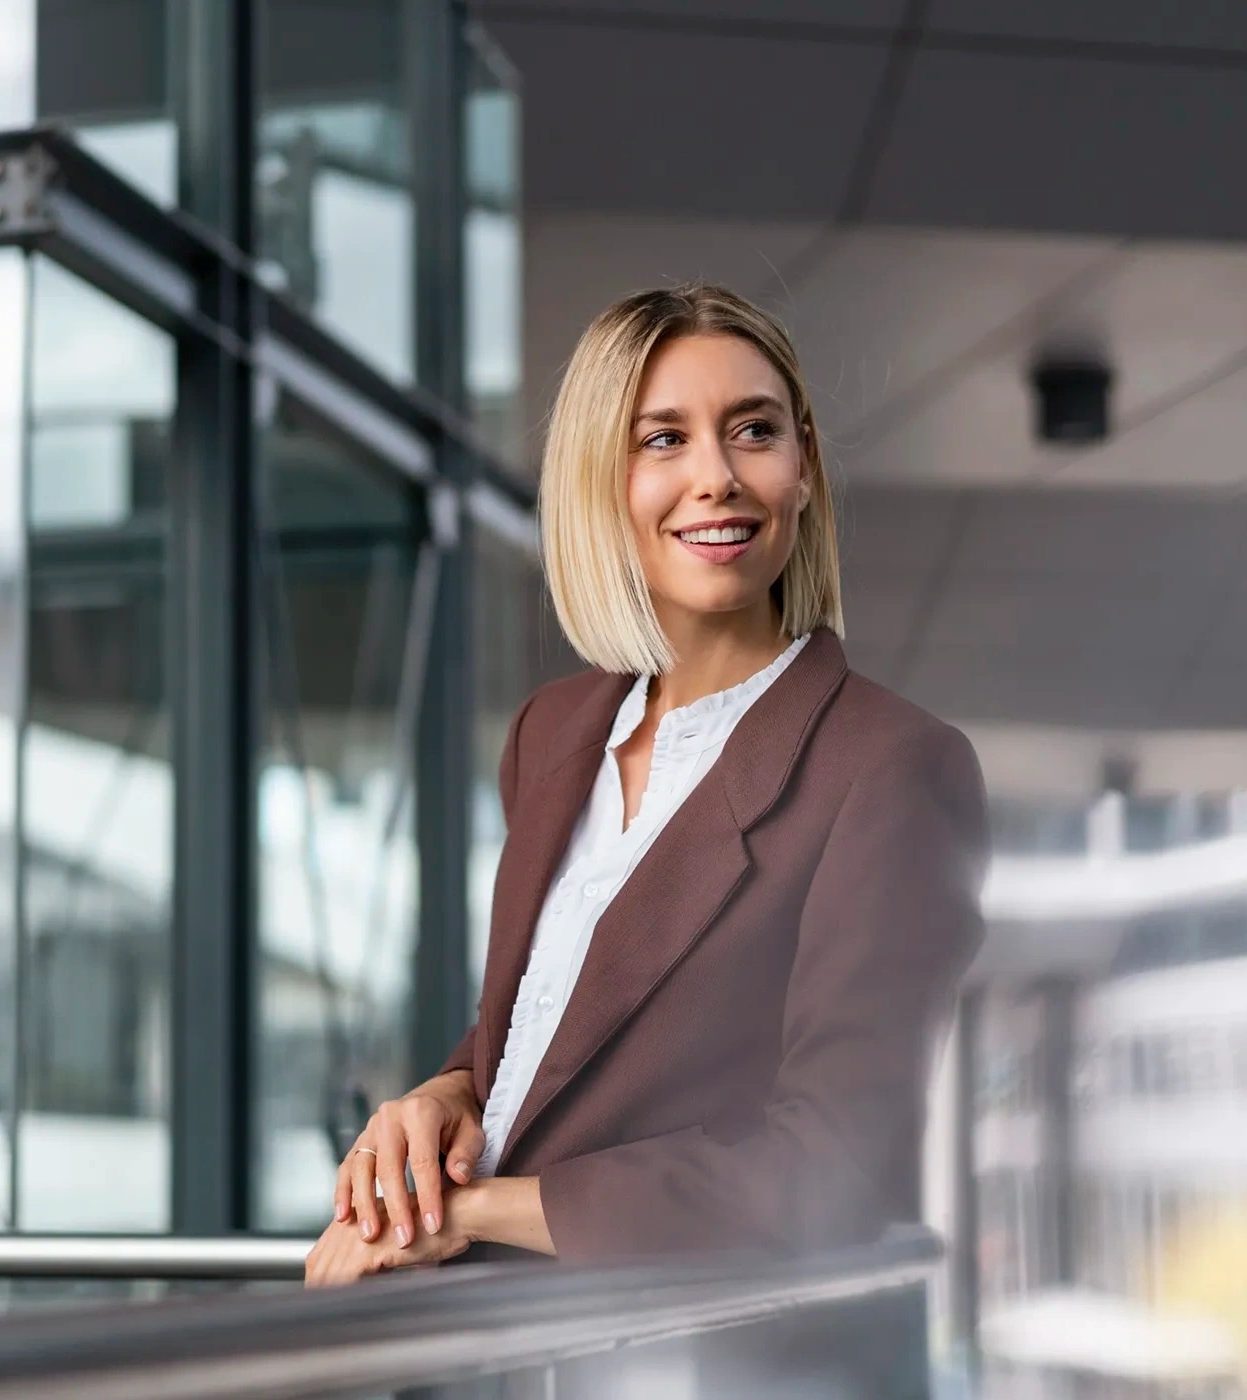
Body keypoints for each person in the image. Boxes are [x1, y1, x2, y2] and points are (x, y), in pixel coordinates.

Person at [305, 283, 989, 1287]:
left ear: (802, 464)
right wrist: (450, 1092)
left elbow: (840, 1167)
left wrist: (474, 1211)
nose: (717, 477)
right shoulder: (553, 733)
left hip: (694, 1352)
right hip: (495, 1335)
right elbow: (569, 1021)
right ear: (602, 481)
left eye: (754, 431)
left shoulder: (891, 767)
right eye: (664, 440)